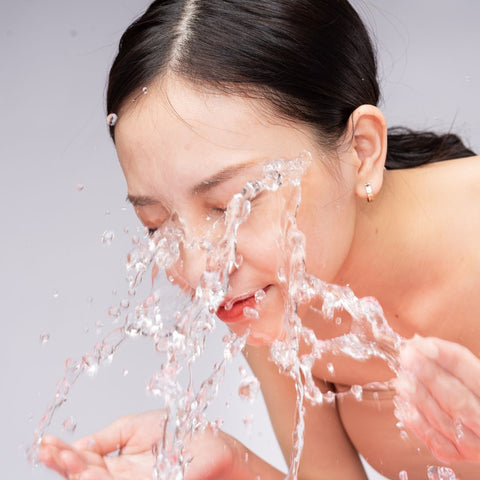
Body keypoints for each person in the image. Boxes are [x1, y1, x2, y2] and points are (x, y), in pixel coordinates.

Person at [38, 0, 480, 478]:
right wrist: (235, 467)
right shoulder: (270, 301)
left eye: (232, 207)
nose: (198, 268)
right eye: (157, 223)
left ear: (362, 149)